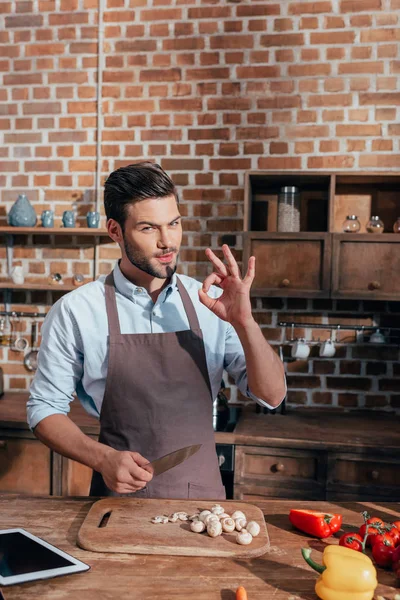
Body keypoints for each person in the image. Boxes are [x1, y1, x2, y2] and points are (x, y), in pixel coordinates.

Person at [27, 162, 286, 499]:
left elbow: (271, 395)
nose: (167, 242)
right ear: (115, 231)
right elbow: (43, 408)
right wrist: (102, 458)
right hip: (115, 504)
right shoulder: (77, 311)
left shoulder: (209, 303)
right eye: (149, 228)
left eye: (174, 224)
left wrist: (245, 323)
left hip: (203, 504)